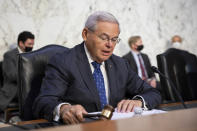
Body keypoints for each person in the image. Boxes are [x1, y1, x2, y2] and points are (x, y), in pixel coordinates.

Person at [33, 11, 161, 125]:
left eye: (114, 39)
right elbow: (44, 101)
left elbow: (152, 93)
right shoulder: (63, 62)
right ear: (85, 34)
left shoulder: (120, 64)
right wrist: (63, 109)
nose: (110, 45)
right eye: (104, 38)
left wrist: (138, 102)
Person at [0, 31, 35, 111]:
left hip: (28, 91)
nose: (31, 46)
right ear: (21, 43)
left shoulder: (33, 55)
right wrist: (30, 75)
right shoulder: (9, 56)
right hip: (14, 92)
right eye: (29, 44)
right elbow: (11, 75)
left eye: (32, 44)